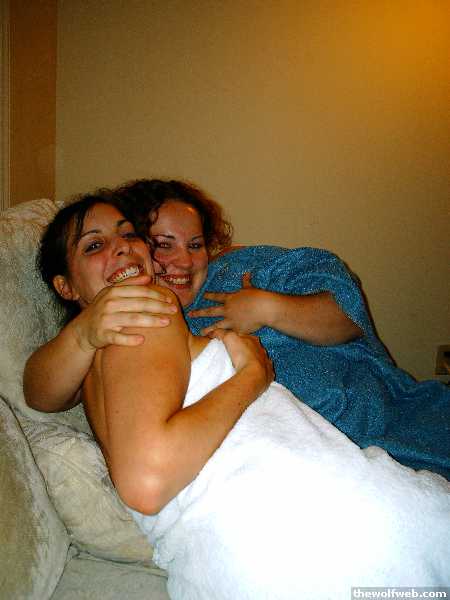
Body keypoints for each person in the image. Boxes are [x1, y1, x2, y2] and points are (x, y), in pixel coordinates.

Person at [25, 191, 450, 598]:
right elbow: (146, 480)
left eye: (129, 234)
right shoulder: (145, 310)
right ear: (65, 286)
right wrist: (251, 375)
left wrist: (83, 332)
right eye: (95, 244)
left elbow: (42, 396)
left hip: (238, 564)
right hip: (332, 534)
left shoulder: (105, 347)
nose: (122, 247)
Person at [24, 179, 450, 480]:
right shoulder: (128, 318)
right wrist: (83, 330)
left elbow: (347, 315)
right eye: (161, 244)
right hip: (310, 465)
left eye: (195, 245)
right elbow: (44, 391)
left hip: (390, 419)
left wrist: (267, 307)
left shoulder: (246, 267)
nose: (184, 261)